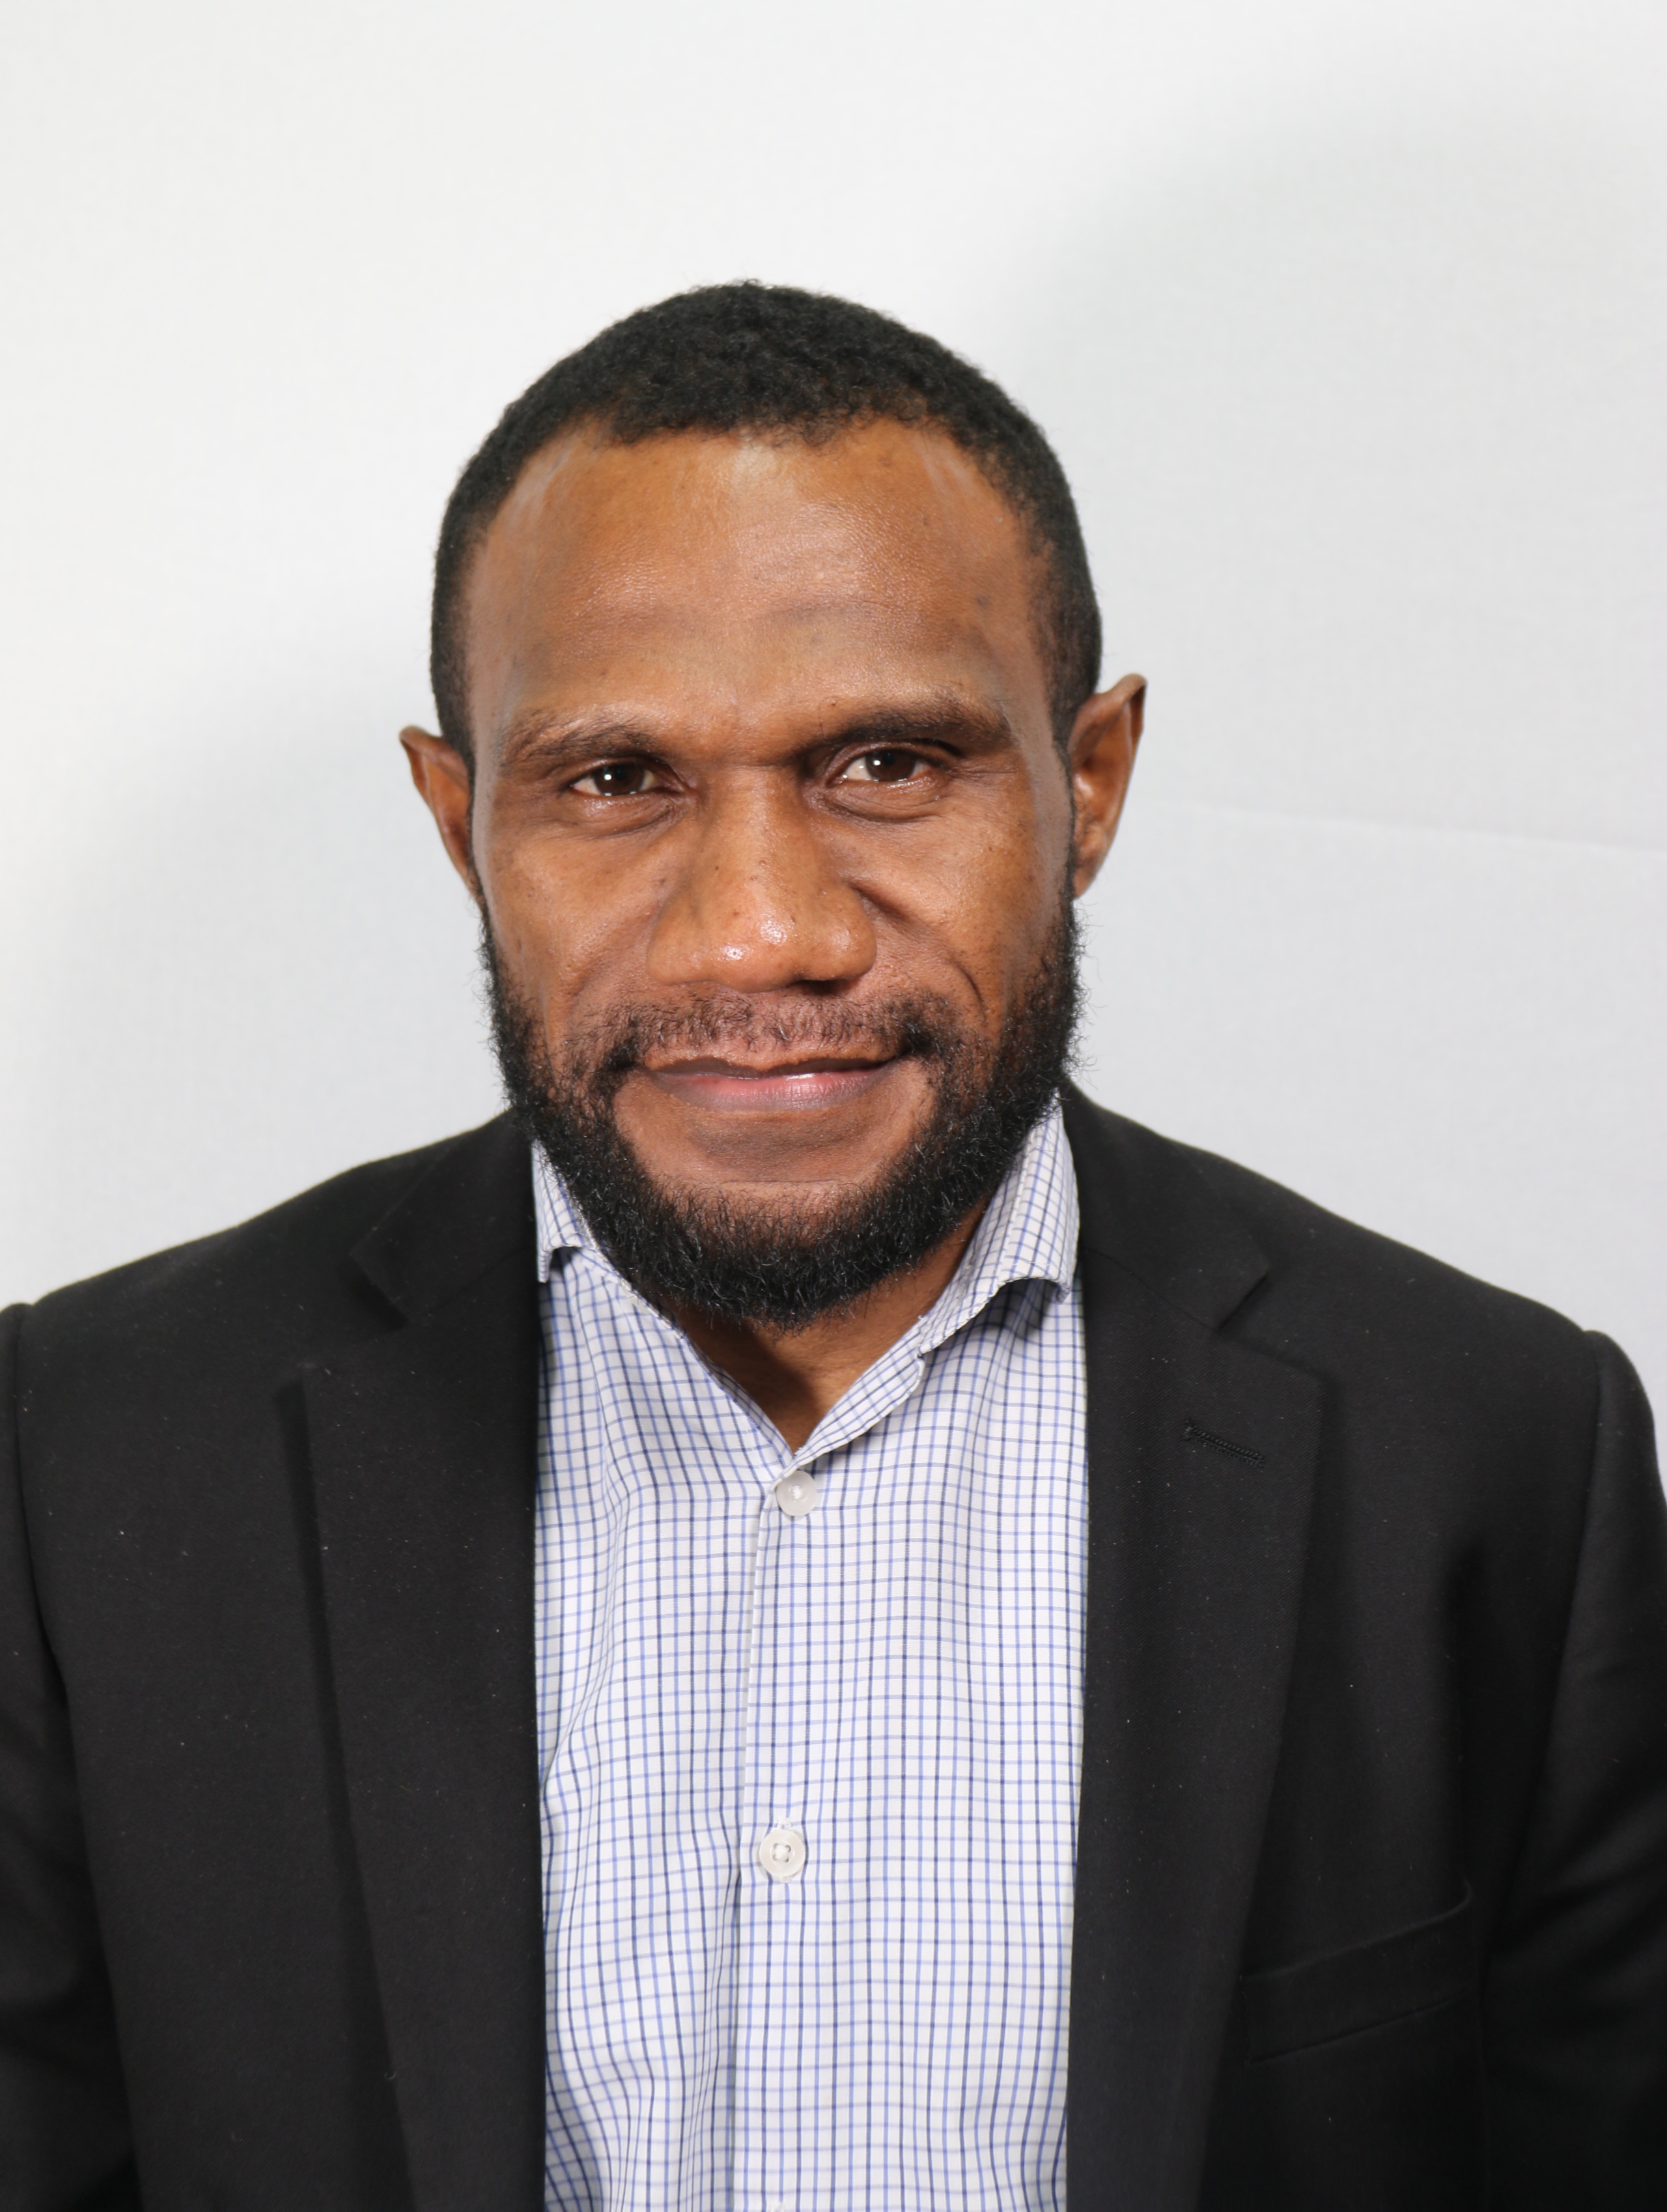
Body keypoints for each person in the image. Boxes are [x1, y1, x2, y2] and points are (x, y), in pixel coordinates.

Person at [3, 283, 1663, 2212]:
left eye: (886, 763)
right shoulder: (83, 1455)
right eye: (616, 782)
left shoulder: (1495, 1452)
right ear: (459, 822)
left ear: (1091, 782)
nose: (761, 934)